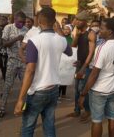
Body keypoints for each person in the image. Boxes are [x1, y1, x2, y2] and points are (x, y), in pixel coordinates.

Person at [14, 7, 73, 137]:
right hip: (53, 90)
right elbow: (70, 52)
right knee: (49, 125)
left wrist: (20, 99)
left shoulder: (34, 41)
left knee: (28, 127)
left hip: (37, 91)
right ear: (54, 22)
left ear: (39, 22)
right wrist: (60, 32)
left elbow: (30, 70)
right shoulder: (61, 39)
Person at [79, 18, 114, 137]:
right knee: (112, 117)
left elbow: (94, 74)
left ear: (110, 32)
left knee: (97, 120)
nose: (99, 30)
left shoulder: (102, 48)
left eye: (102, 28)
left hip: (99, 90)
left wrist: (83, 94)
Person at [67, 11, 97, 123]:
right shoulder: (79, 32)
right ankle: (77, 110)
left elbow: (91, 52)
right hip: (79, 64)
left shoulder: (91, 34)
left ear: (84, 21)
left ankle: (87, 110)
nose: (75, 22)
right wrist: (77, 35)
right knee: (76, 89)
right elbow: (73, 46)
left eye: (78, 20)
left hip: (87, 66)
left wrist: (84, 67)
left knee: (83, 89)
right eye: (75, 19)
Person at [0, 11, 28, 118]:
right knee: (8, 85)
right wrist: (16, 38)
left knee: (25, 86)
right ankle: (2, 107)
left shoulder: (26, 30)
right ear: (15, 20)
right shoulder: (8, 28)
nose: (22, 24)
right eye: (20, 22)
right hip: (12, 61)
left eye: (24, 22)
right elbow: (4, 44)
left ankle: (22, 107)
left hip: (23, 62)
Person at [58, 24, 74, 99]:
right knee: (60, 77)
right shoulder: (60, 38)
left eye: (68, 29)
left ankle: (63, 94)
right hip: (60, 60)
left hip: (68, 61)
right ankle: (58, 94)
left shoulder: (71, 39)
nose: (66, 30)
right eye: (64, 29)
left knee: (66, 76)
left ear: (71, 30)